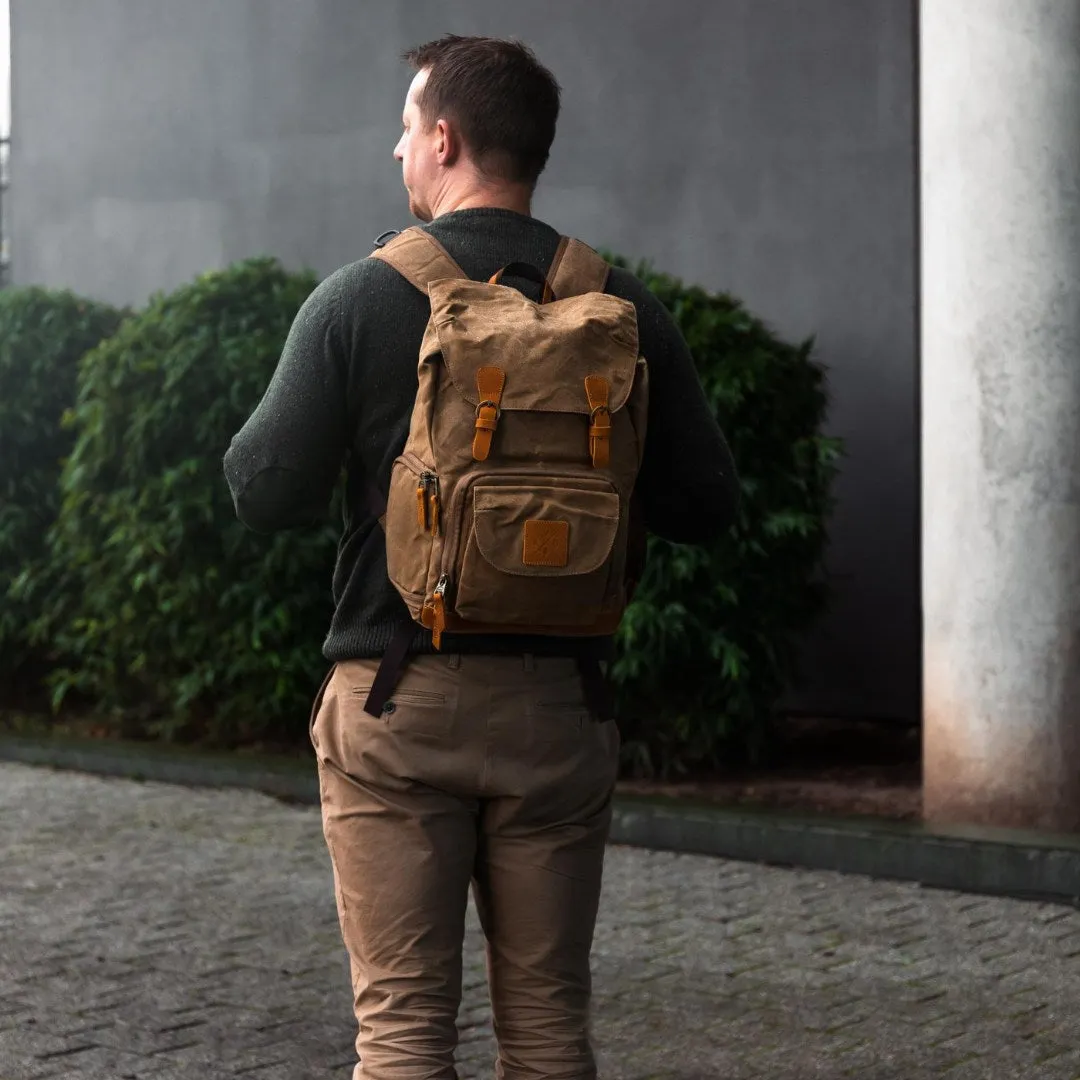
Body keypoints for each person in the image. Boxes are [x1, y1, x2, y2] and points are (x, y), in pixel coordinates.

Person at [224, 33, 738, 1080]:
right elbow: (708, 507)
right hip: (559, 707)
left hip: (396, 709)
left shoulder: (362, 297)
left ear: (446, 138)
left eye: (407, 128)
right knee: (549, 1030)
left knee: (405, 1033)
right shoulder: (623, 305)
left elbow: (259, 489)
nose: (397, 148)